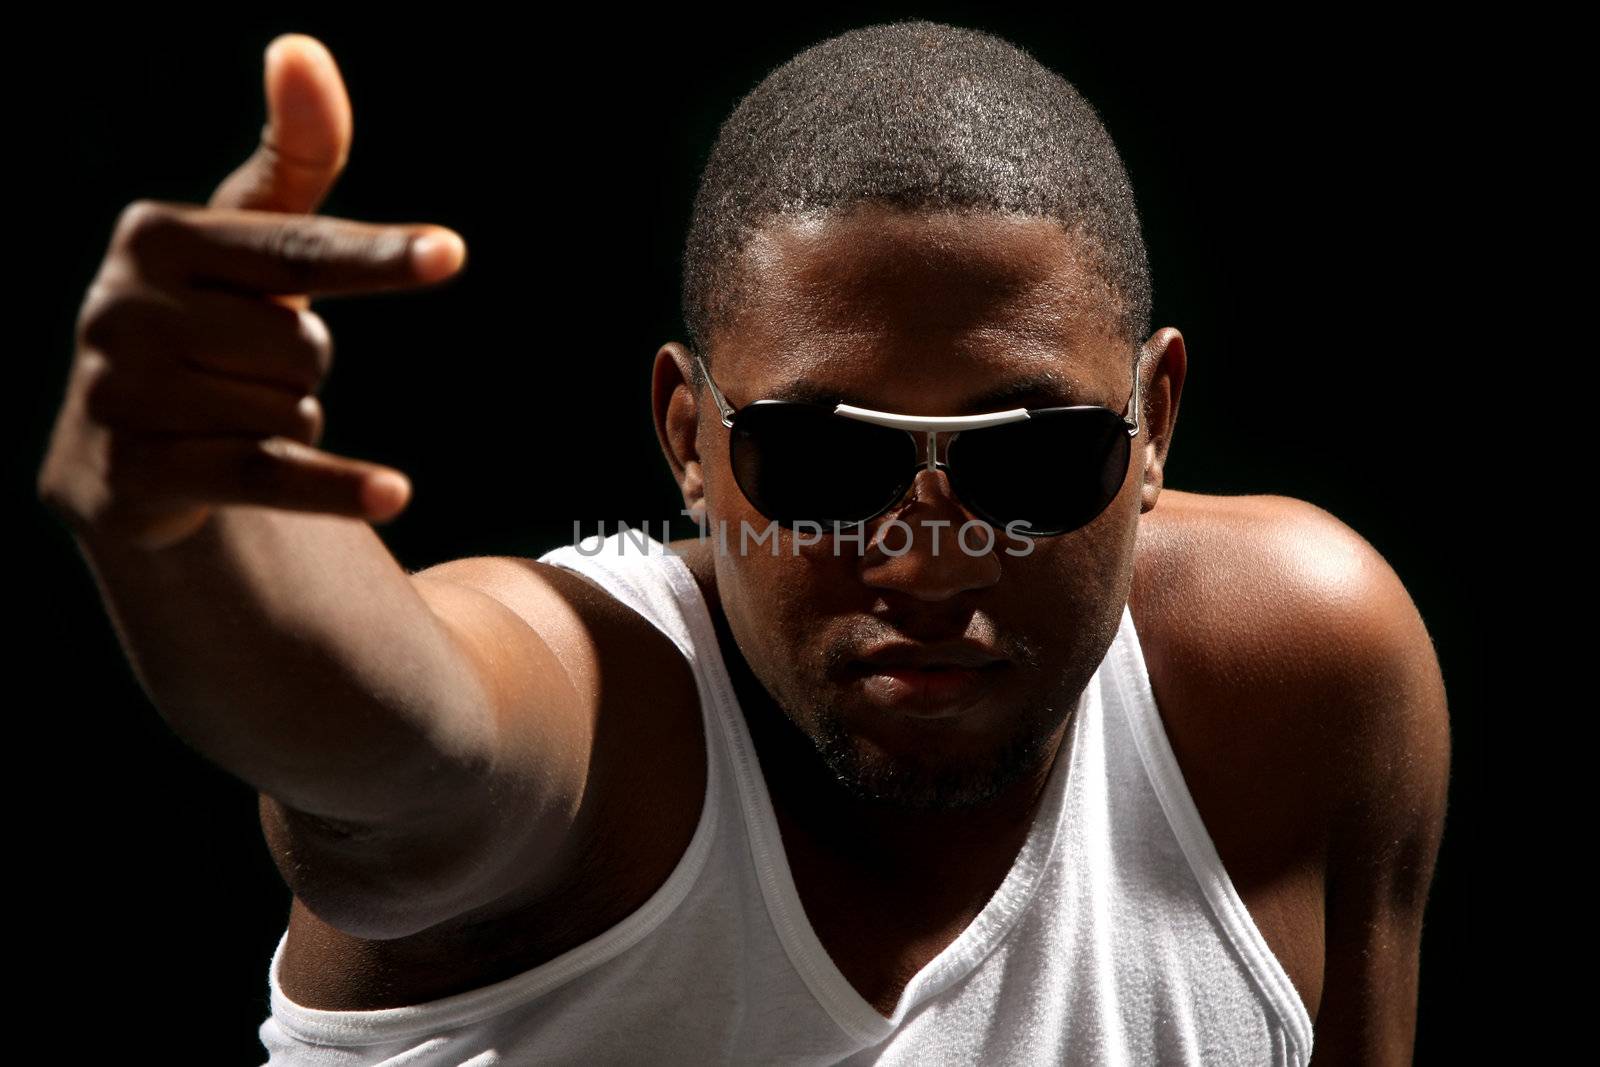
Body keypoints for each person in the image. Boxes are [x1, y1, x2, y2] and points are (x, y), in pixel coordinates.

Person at [37, 21, 1450, 1067]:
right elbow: (397, 736)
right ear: (688, 440)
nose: (929, 559)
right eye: (829, 453)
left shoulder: (1301, 683)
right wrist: (199, 537)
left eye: (1029, 455)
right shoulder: (612, 734)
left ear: (1153, 423)